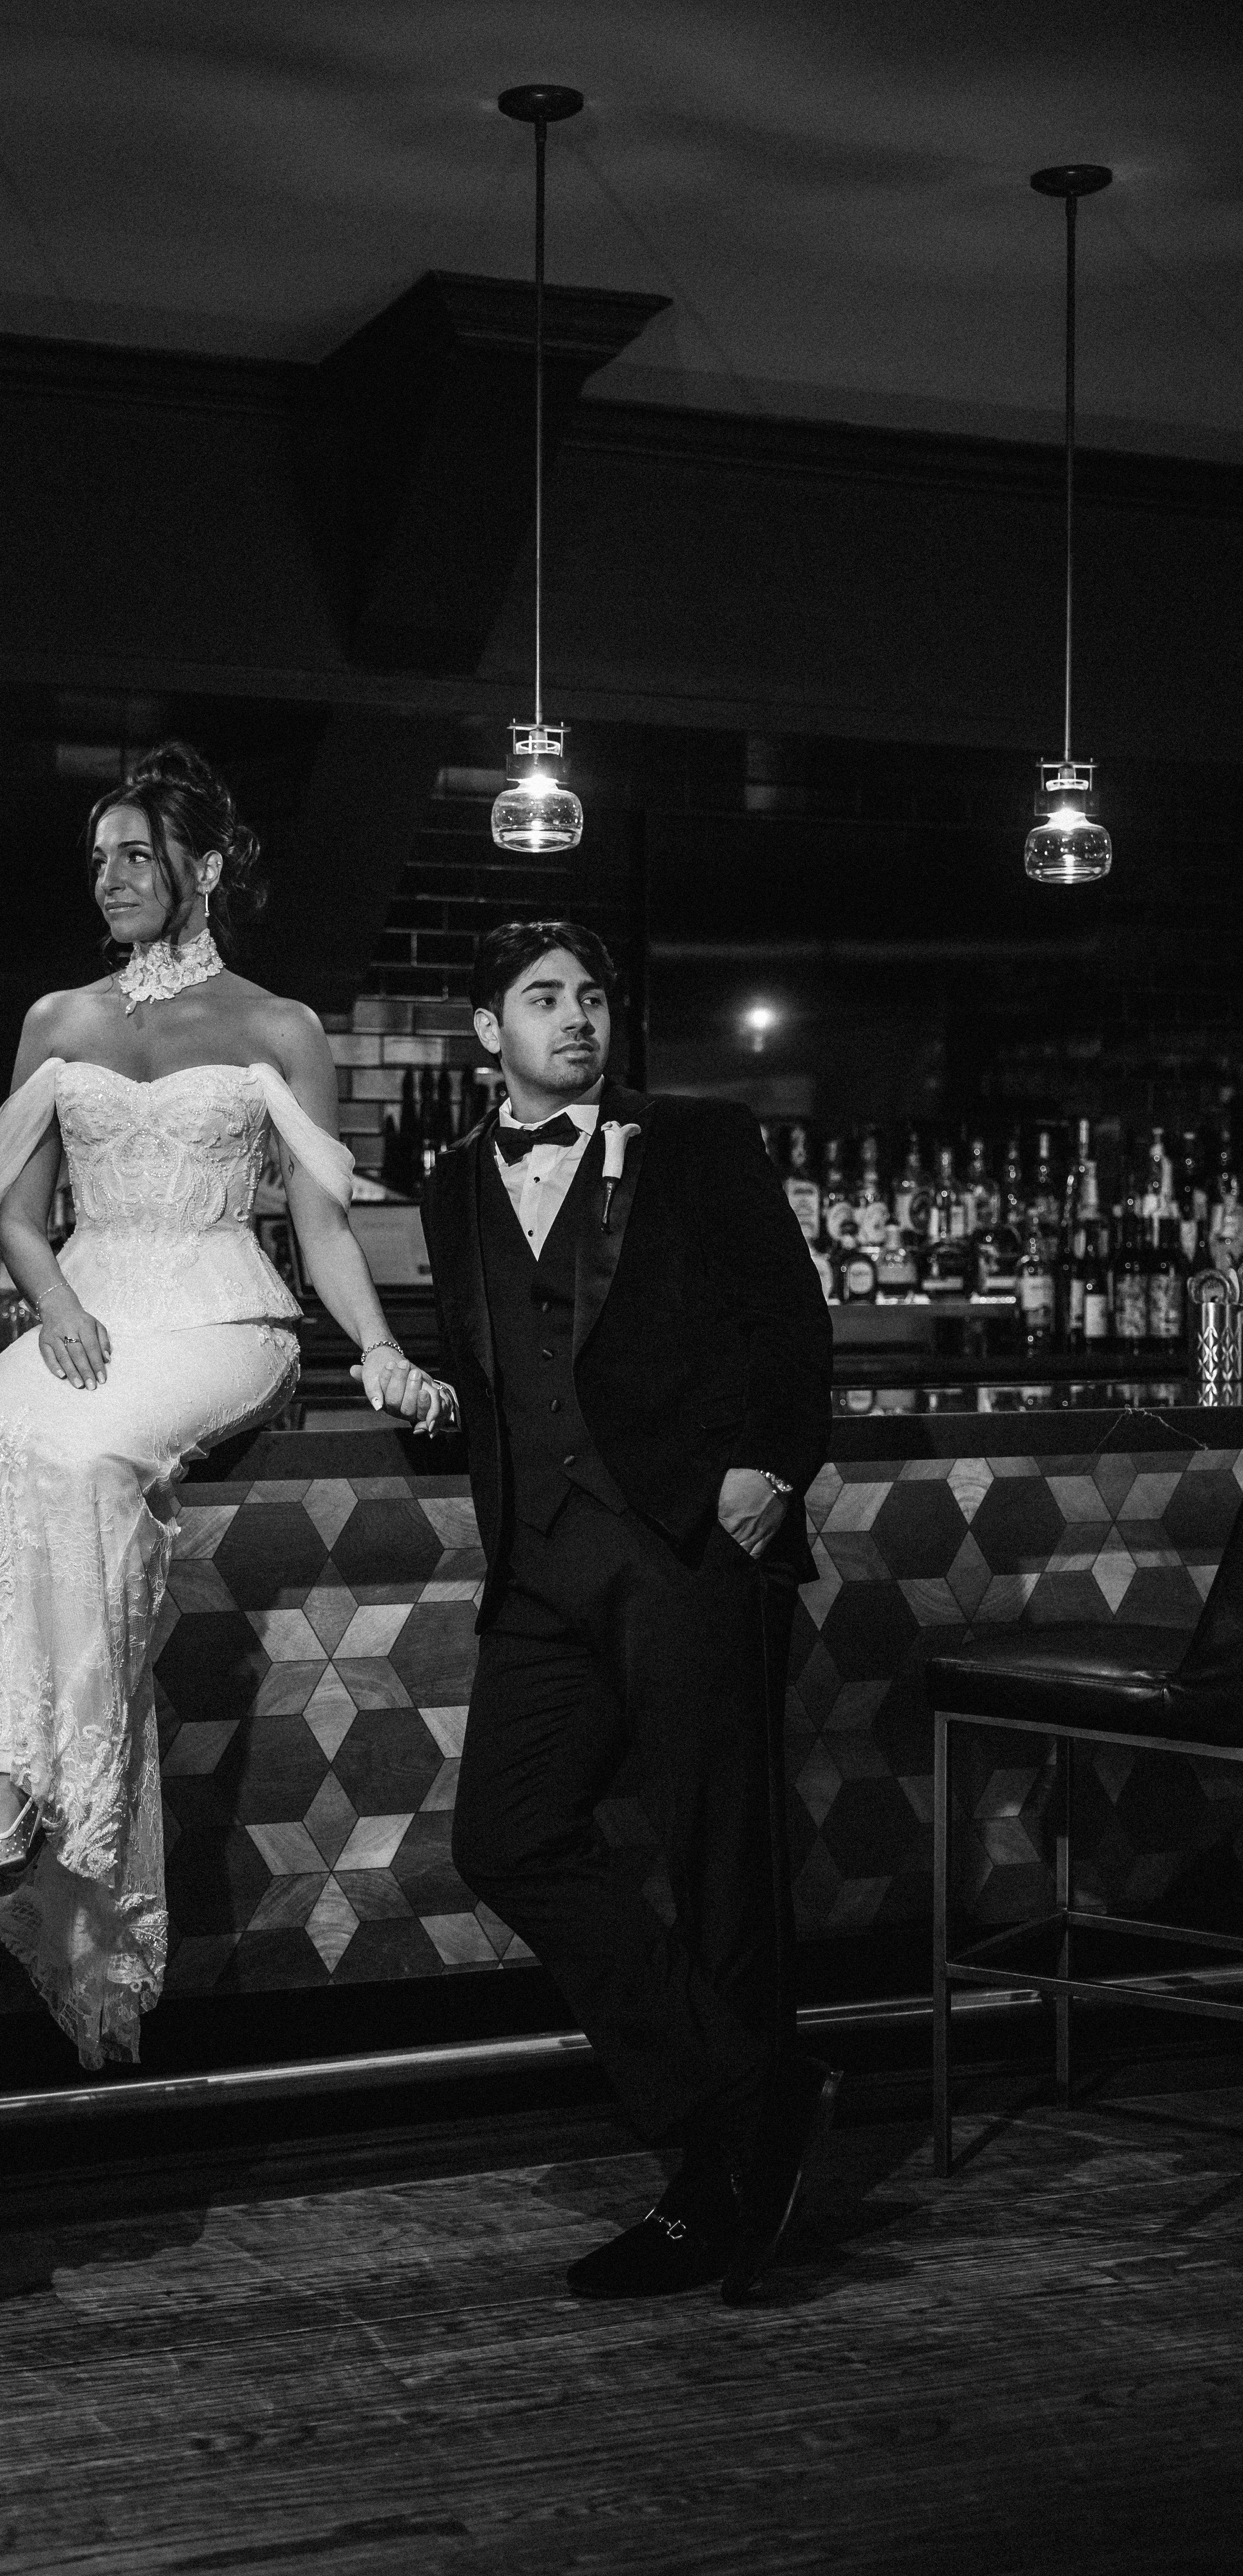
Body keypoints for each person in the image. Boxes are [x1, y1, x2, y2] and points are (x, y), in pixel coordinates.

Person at [0, 743, 454, 2067]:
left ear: (202, 868)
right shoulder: (57, 1019)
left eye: (137, 855)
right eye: (98, 859)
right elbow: (18, 1217)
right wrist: (55, 1303)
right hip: (88, 1296)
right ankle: (4, 1786)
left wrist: (380, 1345)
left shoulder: (281, 1028)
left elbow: (322, 1228)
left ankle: (55, 1798)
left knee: (92, 1461)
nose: (110, 879)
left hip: (222, 1313)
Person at [420, 919, 836, 2302]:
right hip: (543, 1564)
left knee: (723, 1869)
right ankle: (750, 2099)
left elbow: (792, 1321)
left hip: (688, 1548)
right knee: (508, 1834)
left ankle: (717, 2190)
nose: (577, 1017)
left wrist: (770, 1468)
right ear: (489, 1030)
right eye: (543, 997)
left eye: (592, 996)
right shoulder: (450, 1182)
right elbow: (497, 1351)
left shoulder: (699, 1140)